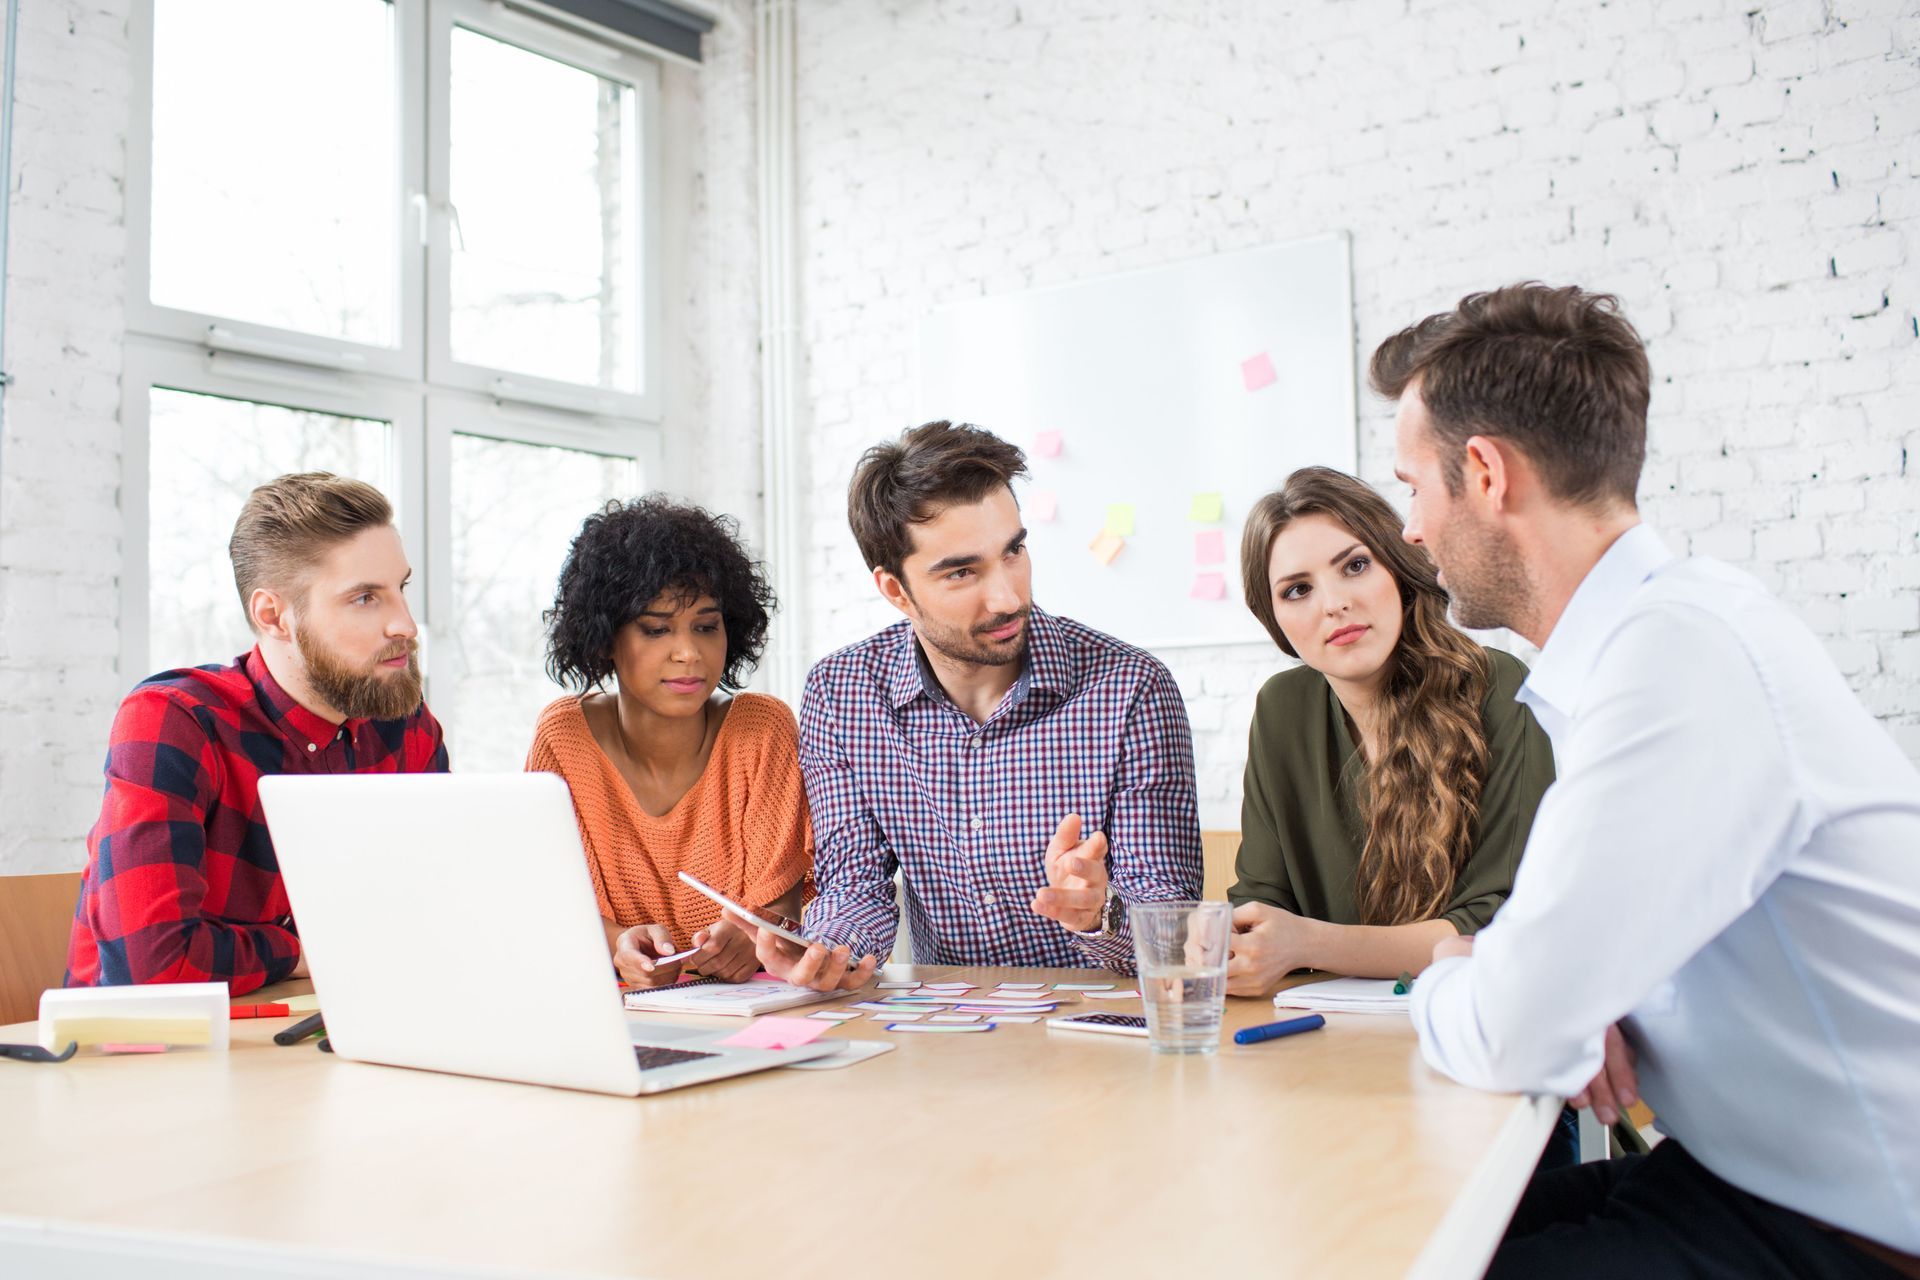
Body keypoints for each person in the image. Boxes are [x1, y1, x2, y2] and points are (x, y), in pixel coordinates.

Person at [1382, 284, 1920, 1278]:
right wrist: (1589, 997)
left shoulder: (1677, 657)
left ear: (1488, 474)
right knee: (1386, 1225)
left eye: (1415, 485)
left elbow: (1510, 1025)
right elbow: (1561, 981)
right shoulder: (1658, 639)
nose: (1410, 529)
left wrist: (1452, 973)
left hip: (1843, 1232)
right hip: (1738, 1175)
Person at [735, 420, 1204, 991]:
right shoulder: (843, 693)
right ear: (895, 590)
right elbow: (854, 886)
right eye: (962, 572)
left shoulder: (1131, 689)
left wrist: (1097, 914)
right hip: (953, 1035)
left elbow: (1174, 937)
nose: (1008, 596)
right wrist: (828, 948)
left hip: (1103, 1033)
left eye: (1014, 552)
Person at [66, 473, 448, 995]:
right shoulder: (174, 720)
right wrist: (306, 951)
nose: (405, 624)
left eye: (400, 589)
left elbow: (433, 922)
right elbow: (153, 968)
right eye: (365, 598)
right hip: (142, 1056)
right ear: (274, 616)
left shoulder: (404, 726)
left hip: (322, 1033)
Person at [1224, 466, 1553, 992]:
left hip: (1477, 1023)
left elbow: (1495, 922)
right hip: (1320, 1037)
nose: (1334, 604)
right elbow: (1260, 902)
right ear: (1275, 621)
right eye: (1297, 590)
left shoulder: (1497, 686)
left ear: (1396, 571)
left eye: (1354, 565)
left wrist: (1305, 943)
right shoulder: (1281, 710)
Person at [526, 497, 810, 989]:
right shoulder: (562, 738)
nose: (688, 653)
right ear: (604, 639)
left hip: (751, 1012)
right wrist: (618, 945)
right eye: (656, 629)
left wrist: (750, 937)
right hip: (620, 1020)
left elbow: (784, 902)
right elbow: (548, 903)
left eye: (706, 626)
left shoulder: (762, 730)